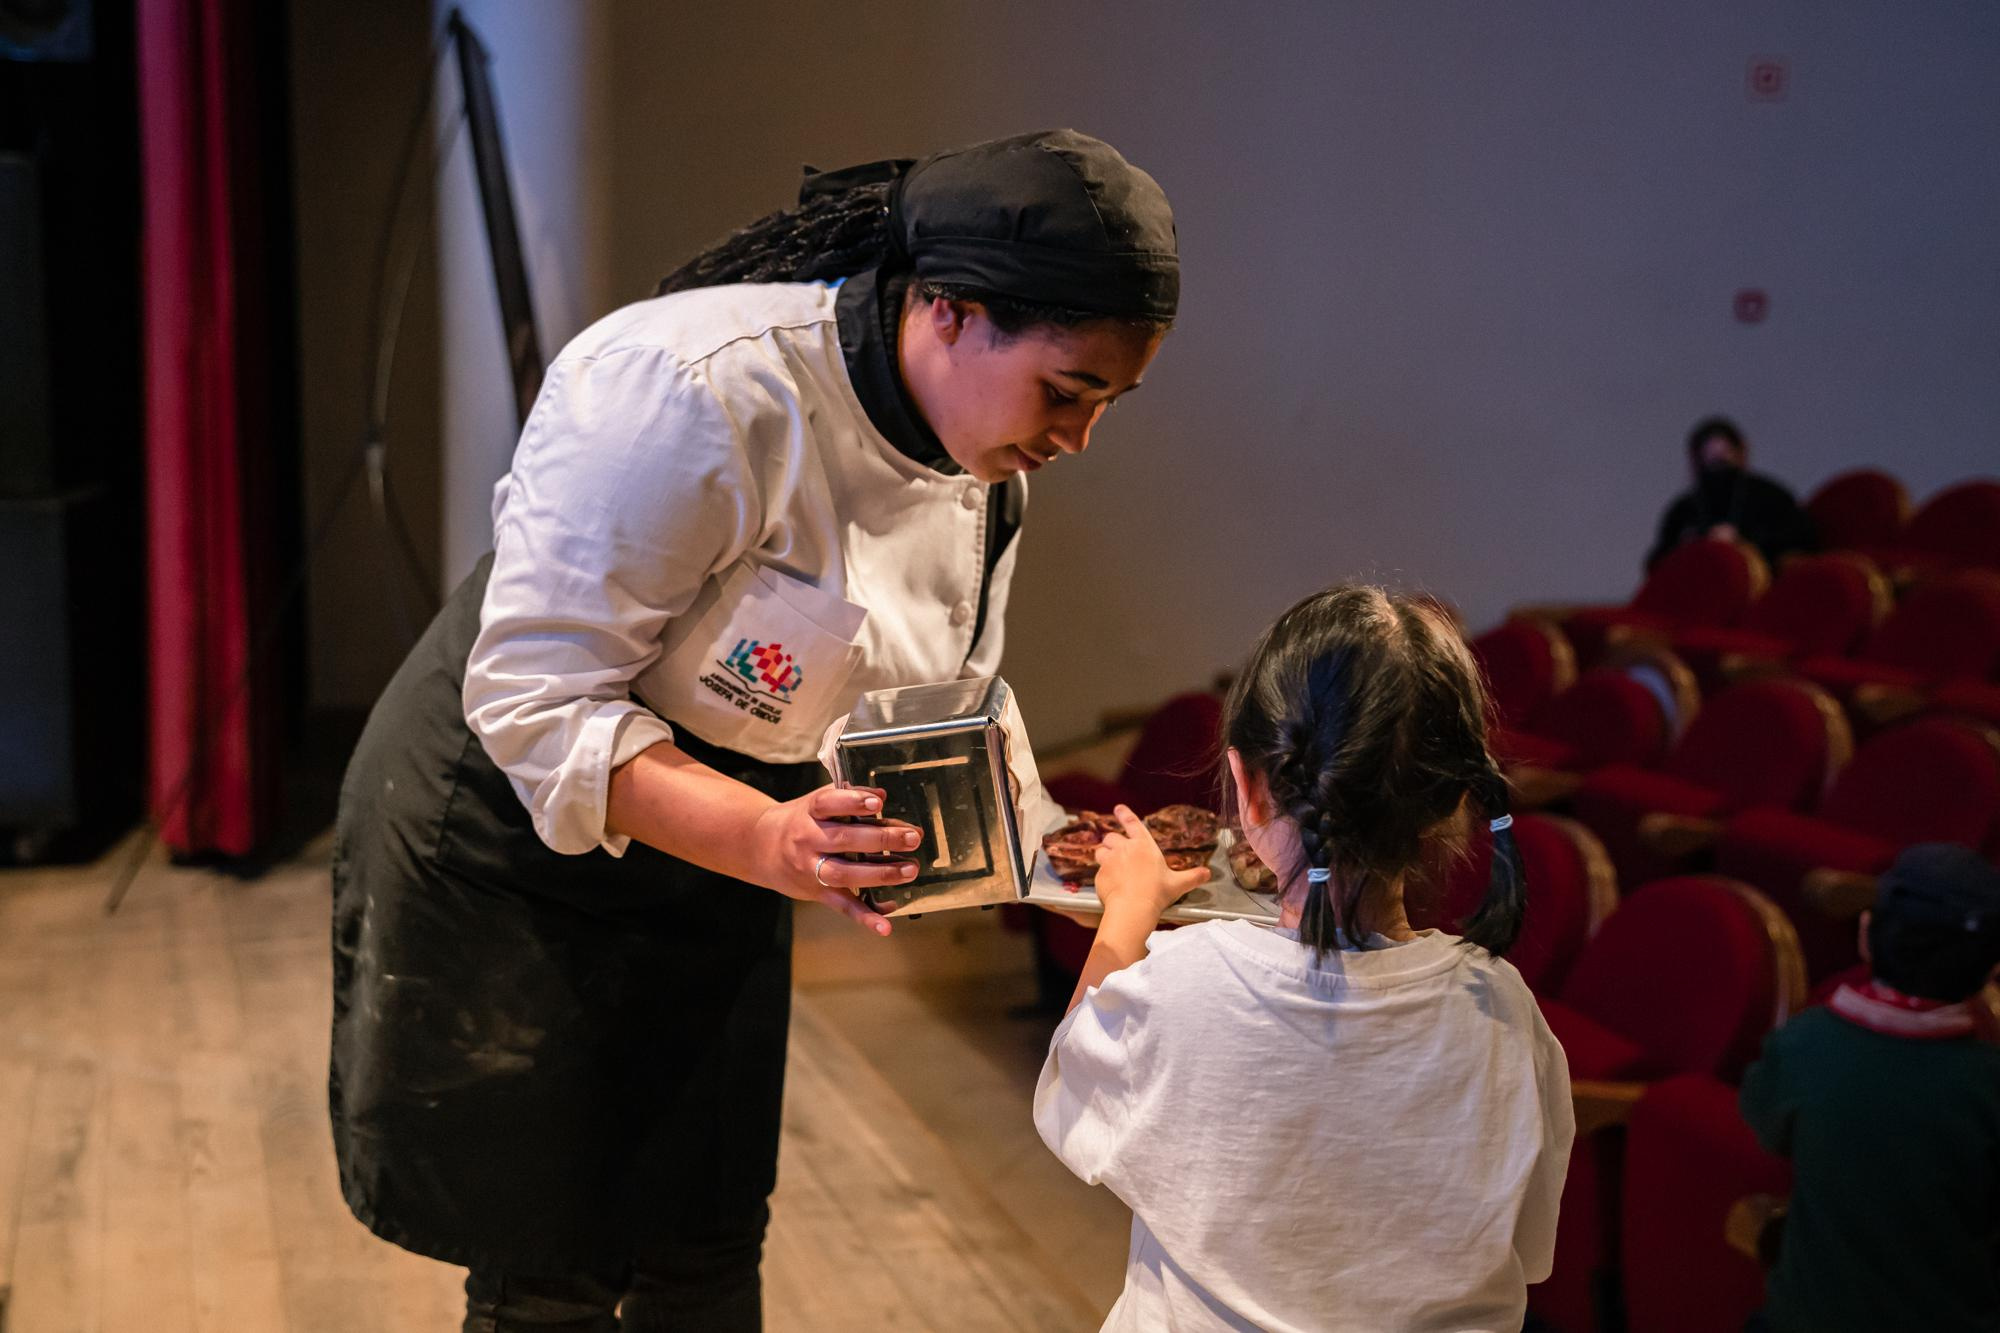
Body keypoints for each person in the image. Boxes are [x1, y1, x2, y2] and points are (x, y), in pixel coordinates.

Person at [328, 129, 1179, 1332]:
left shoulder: (986, 475)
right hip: (517, 825)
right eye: (1067, 391)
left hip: (740, 828)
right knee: (553, 1262)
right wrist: (773, 843)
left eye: (1109, 403)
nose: (1078, 437)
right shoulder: (689, 392)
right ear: (946, 309)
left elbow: (937, 708)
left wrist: (1056, 857)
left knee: (708, 1226)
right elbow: (535, 701)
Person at [1033, 586, 1575, 1331]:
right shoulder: (1506, 1015)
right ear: (1451, 801)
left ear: (1249, 791)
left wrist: (1125, 918)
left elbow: (1072, 1093)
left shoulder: (1185, 982)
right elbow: (1525, 1246)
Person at [1738, 843, 2000, 1333]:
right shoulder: (1986, 1080)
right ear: (1990, 971)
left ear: (1865, 935)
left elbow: (1765, 1124)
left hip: (1806, 1317)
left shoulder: (1804, 1042)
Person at [1644, 415, 1817, 572]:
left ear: (1742, 452)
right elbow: (1656, 560)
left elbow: (1801, 536)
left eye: (1724, 456)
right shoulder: (1684, 508)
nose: (1718, 465)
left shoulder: (1769, 495)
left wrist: (1745, 540)